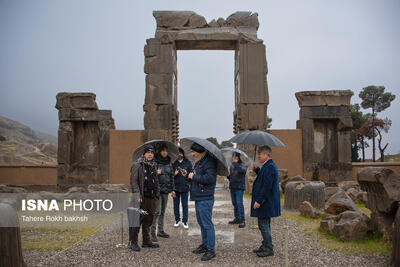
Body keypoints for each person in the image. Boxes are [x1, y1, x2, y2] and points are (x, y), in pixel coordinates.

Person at [185, 142, 217, 262]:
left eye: (193, 152)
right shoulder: (200, 162)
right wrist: (188, 175)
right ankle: (205, 245)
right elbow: (197, 176)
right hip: (199, 197)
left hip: (206, 197)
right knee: (202, 223)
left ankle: (211, 249)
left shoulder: (209, 162)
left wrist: (193, 177)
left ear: (199, 152)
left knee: (207, 224)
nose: (192, 154)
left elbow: (210, 179)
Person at [250, 145, 281, 257]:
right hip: (265, 202)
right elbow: (264, 178)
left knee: (263, 224)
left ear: (267, 155)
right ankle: (265, 245)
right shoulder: (267, 166)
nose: (258, 156)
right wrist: (257, 170)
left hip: (266, 202)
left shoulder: (270, 167)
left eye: (260, 153)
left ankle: (269, 248)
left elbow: (267, 186)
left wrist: (259, 200)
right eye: (258, 153)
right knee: (263, 224)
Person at [129, 145, 160, 251]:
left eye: (152, 152)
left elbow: (155, 180)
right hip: (141, 198)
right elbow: (134, 181)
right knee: (137, 220)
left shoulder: (153, 165)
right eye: (148, 152)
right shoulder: (137, 165)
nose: (150, 154)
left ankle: (146, 241)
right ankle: (133, 242)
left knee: (148, 220)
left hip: (152, 197)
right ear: (144, 154)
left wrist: (157, 194)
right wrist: (137, 195)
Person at [151, 144, 175, 242]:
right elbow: (150, 175)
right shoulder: (155, 162)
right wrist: (155, 173)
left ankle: (160, 230)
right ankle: (152, 232)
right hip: (157, 190)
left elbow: (172, 177)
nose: (164, 152)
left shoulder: (169, 163)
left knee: (163, 212)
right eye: (162, 151)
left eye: (166, 151)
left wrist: (173, 189)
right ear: (159, 152)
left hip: (166, 190)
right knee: (157, 211)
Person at [172, 147, 193, 229]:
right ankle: (177, 220)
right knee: (175, 205)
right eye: (178, 153)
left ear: (183, 154)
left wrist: (186, 173)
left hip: (185, 187)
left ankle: (185, 221)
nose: (179, 154)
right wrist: (174, 174)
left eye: (180, 153)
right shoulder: (173, 163)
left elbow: (191, 174)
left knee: (185, 205)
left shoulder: (188, 163)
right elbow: (170, 175)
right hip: (175, 187)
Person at [227, 152, 247, 228]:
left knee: (239, 203)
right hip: (232, 186)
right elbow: (231, 177)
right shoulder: (231, 166)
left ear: (238, 157)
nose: (234, 158)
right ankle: (237, 218)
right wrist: (228, 176)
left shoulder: (243, 165)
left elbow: (242, 171)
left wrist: (235, 164)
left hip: (239, 187)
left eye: (235, 157)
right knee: (234, 203)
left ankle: (242, 220)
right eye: (233, 157)